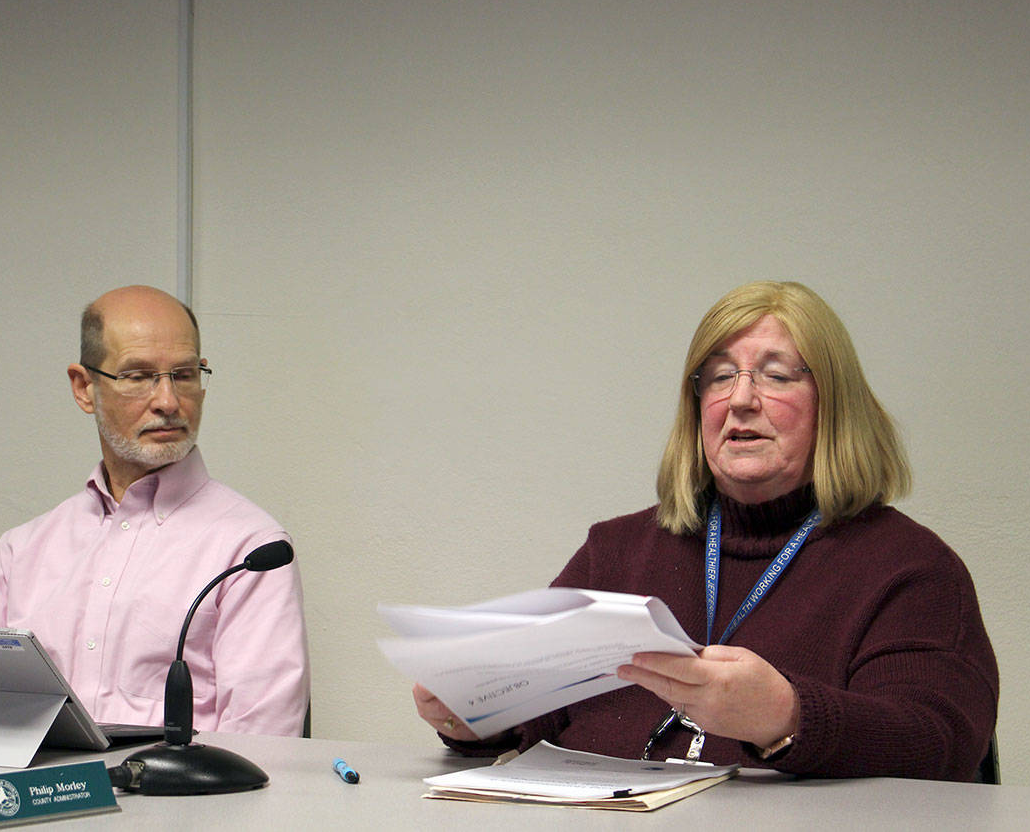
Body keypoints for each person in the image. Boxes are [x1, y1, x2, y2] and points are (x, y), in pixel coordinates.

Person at [413, 281, 998, 781]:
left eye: (775, 377)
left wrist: (788, 717)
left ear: (834, 405)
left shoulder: (911, 570)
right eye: (719, 378)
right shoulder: (614, 550)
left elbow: (942, 744)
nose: (740, 400)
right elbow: (528, 710)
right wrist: (470, 712)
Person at [0, 285, 309, 736]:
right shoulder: (21, 551)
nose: (168, 401)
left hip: (183, 803)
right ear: (84, 387)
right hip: (39, 799)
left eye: (184, 375)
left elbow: (264, 743)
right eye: (137, 376)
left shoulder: (250, 549)